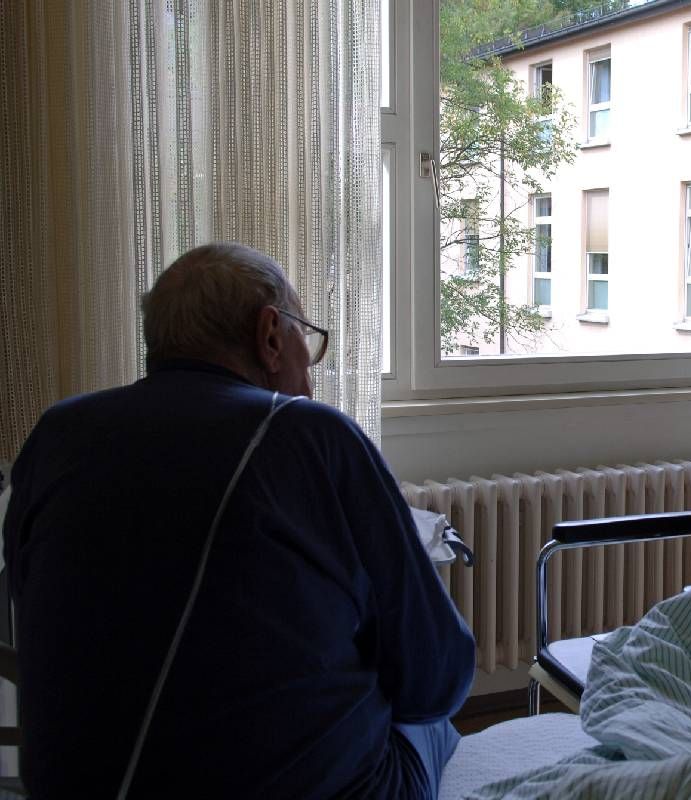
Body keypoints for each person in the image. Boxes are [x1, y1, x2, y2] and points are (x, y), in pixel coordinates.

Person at [2, 242, 475, 798]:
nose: (311, 372)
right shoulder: (310, 435)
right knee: (431, 724)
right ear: (271, 334)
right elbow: (437, 677)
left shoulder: (55, 436)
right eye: (307, 338)